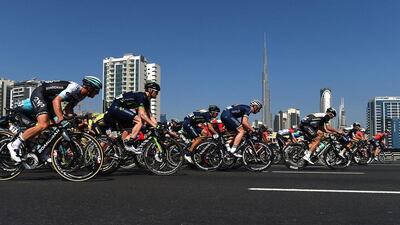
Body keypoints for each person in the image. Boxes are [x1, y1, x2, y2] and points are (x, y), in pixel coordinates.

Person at [7, 76, 102, 162]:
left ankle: (42, 152)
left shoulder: (82, 96)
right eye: (97, 90)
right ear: (89, 87)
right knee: (43, 124)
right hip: (40, 94)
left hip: (48, 101)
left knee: (53, 129)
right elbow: (57, 100)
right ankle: (14, 144)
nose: (97, 93)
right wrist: (61, 118)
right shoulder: (74, 88)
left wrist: (73, 119)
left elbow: (68, 109)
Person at [103, 82, 160, 153]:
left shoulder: (146, 101)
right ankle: (129, 144)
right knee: (139, 121)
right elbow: (142, 114)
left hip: (118, 109)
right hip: (116, 108)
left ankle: (121, 149)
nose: (157, 94)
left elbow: (150, 116)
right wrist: (154, 125)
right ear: (150, 90)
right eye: (156, 92)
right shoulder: (141, 96)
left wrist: (158, 125)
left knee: (134, 129)